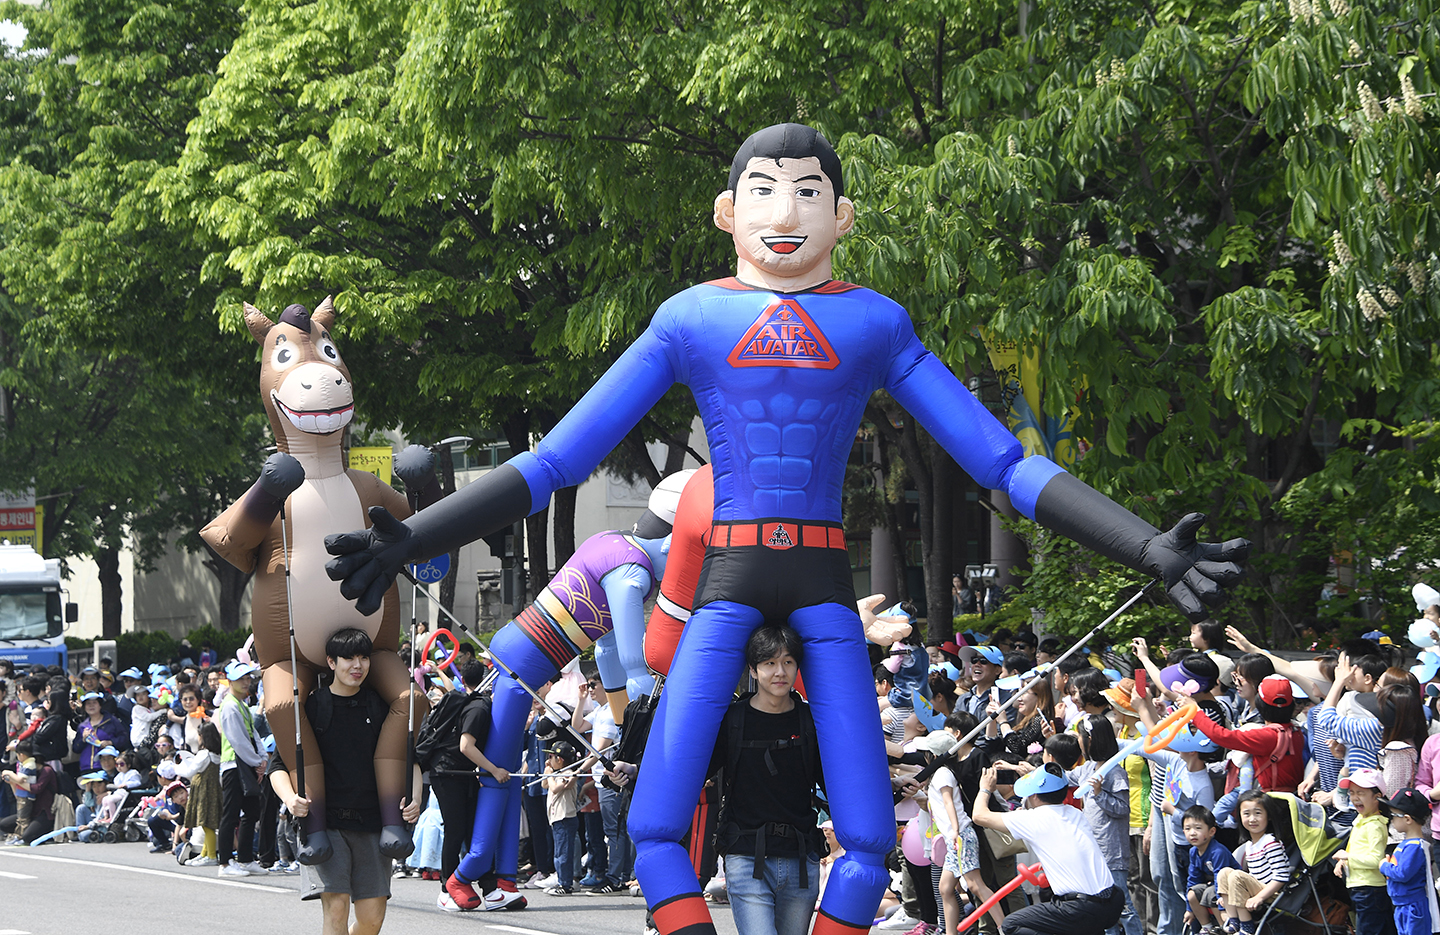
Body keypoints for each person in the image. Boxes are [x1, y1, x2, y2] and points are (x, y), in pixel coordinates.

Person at [324, 123, 1251, 935]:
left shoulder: (877, 324)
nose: (786, 209)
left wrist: (1143, 545)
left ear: (843, 216)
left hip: (819, 584)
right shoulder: (689, 317)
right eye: (765, 190)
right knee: (655, 827)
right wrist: (414, 537)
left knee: (871, 838)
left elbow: (1002, 461)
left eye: (809, 191)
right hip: (726, 579)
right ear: (728, 210)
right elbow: (558, 460)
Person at [270, 627, 422, 935]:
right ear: (331, 662)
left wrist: (415, 799)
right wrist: (289, 799)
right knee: (336, 908)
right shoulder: (312, 707)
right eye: (348, 658)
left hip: (374, 824)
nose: (358, 665)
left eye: (364, 657)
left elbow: (411, 762)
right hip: (327, 824)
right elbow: (278, 766)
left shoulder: (381, 706)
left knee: (371, 920)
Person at [708, 625, 825, 935]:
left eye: (787, 662)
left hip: (801, 858)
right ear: (753, 669)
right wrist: (636, 772)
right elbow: (691, 770)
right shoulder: (732, 720)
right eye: (769, 663)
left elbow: (836, 783)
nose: (779, 672)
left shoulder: (810, 721)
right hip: (746, 856)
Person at [971, 762, 1125, 935]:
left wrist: (985, 788)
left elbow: (979, 816)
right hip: (1112, 901)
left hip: (1080, 908)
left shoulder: (1032, 818)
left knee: (1010, 925)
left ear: (1035, 796)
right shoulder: (1075, 813)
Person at [1215, 791, 1292, 935]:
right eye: (1246, 814)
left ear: (1268, 816)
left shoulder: (1271, 842)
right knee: (1224, 872)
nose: (1252, 819)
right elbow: (1255, 875)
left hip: (1271, 891)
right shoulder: (1249, 845)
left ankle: (1246, 926)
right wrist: (1228, 896)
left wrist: (1259, 897)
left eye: (1257, 813)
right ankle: (1233, 920)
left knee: (1236, 875)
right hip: (1256, 887)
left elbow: (1281, 876)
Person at [216, 659, 266, 877]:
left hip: (246, 765)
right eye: (241, 679)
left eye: (248, 678)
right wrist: (258, 762)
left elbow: (253, 735)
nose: (246, 682)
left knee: (252, 811)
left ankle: (245, 859)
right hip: (233, 766)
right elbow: (238, 741)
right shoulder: (229, 706)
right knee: (231, 814)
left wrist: (261, 758)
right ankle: (225, 863)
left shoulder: (241, 705)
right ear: (230, 681)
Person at [1331, 769, 1394, 935]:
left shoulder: (1375, 825)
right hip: (1361, 888)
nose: (1354, 797)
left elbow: (1376, 860)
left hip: (1370, 889)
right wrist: (1344, 862)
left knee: (1370, 930)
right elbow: (1358, 848)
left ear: (1377, 796)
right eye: (1352, 793)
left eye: (1361, 793)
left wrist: (1348, 856)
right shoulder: (1361, 819)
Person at [1379, 789, 1438, 935]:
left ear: (1407, 819)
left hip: (1413, 906)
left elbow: (1403, 873)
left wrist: (1384, 866)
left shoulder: (1415, 846)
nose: (1391, 819)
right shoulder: (1407, 844)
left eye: (1393, 815)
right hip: (1402, 905)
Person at [1181, 806, 1238, 935]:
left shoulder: (1218, 851)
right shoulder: (1193, 852)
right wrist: (1189, 909)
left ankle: (1226, 928)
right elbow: (1193, 879)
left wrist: (1222, 908)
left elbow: (1221, 878)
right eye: (1188, 829)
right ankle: (1207, 927)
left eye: (1198, 828)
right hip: (1213, 887)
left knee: (1210, 892)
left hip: (1230, 888)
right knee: (1192, 893)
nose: (1192, 833)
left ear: (1212, 831)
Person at [179, 719, 224, 866]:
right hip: (213, 790)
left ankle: (211, 856)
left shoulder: (204, 754)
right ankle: (204, 853)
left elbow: (190, 771)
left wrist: (175, 768)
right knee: (208, 823)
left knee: (206, 825)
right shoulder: (216, 754)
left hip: (204, 792)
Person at [543, 740, 582, 896]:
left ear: (560, 760)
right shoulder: (558, 774)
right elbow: (545, 785)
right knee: (559, 852)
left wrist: (550, 774)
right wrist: (549, 772)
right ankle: (563, 880)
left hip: (565, 818)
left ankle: (565, 884)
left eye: (551, 756)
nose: (549, 760)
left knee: (563, 854)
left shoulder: (567, 773)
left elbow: (555, 787)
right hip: (557, 819)